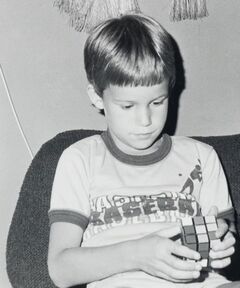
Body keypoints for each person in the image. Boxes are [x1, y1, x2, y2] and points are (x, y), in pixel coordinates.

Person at [47, 14, 236, 288]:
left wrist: (221, 240)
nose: (146, 120)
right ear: (97, 97)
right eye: (128, 106)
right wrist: (137, 254)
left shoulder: (202, 157)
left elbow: (225, 239)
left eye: (157, 102)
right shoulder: (80, 159)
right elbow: (60, 269)